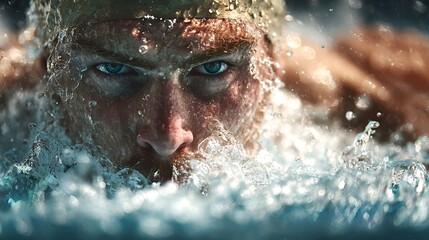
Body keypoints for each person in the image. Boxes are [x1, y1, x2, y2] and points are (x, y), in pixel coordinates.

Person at [1, 0, 429, 185]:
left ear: (270, 70)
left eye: (212, 68)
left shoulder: (366, 96)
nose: (168, 136)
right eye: (114, 69)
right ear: (49, 74)